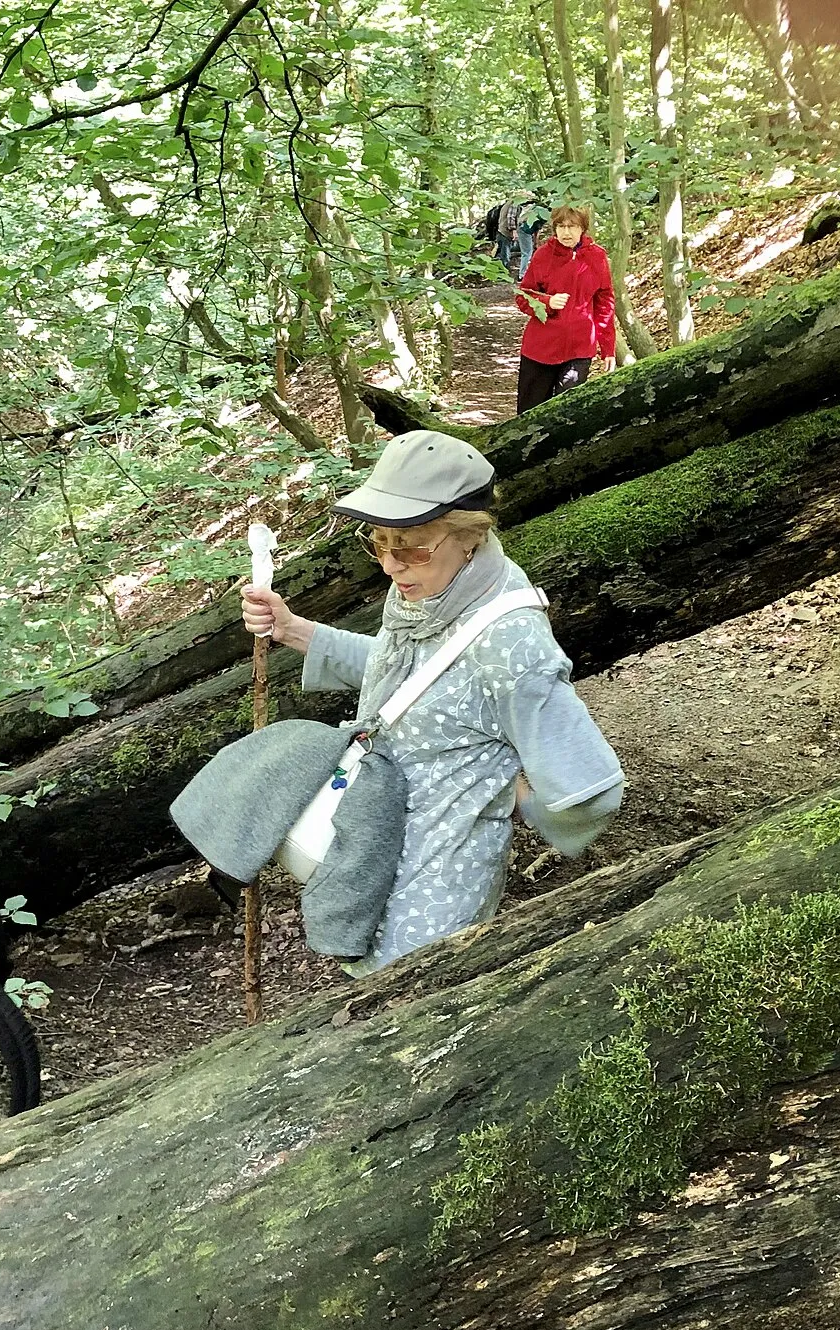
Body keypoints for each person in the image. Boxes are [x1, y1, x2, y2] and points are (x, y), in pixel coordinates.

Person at [240, 431, 624, 973]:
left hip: (432, 899)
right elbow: (422, 679)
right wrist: (295, 630)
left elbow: (593, 791)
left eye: (411, 547)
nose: (393, 566)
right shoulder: (433, 586)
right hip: (375, 846)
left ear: (470, 535)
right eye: (379, 544)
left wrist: (515, 800)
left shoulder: (515, 647)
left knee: (406, 1024)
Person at [513, 205, 616, 414]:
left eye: (572, 226)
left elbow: (604, 303)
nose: (566, 232)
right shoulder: (543, 255)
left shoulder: (596, 257)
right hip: (540, 349)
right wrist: (547, 302)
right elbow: (523, 296)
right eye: (561, 226)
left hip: (579, 348)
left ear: (583, 229)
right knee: (529, 413)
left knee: (565, 412)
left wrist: (608, 349)